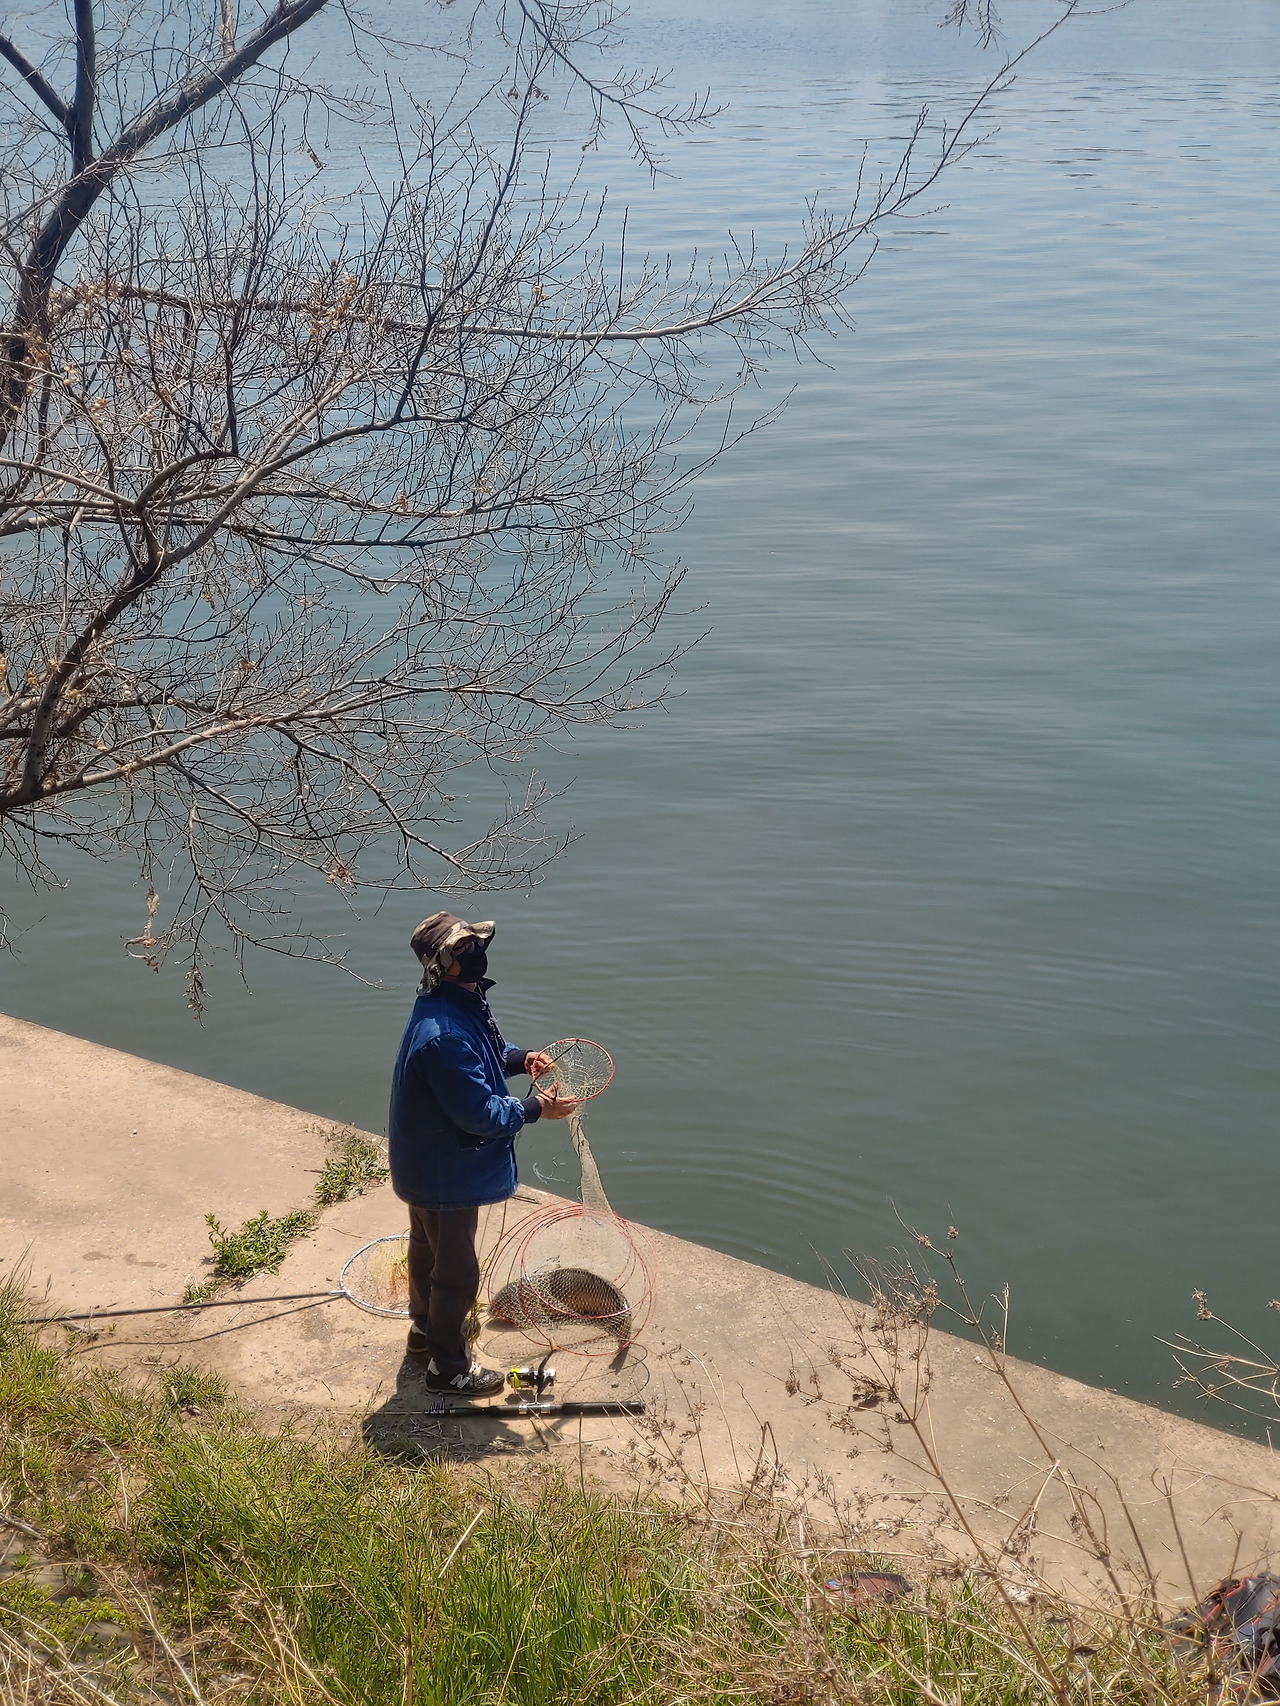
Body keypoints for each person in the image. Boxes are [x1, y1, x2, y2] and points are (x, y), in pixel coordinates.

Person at [388, 912, 576, 1395]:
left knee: (426, 1251)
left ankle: (424, 1333)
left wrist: (520, 1058)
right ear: (442, 965)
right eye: (462, 950)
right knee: (456, 1273)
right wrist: (536, 1108)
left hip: (424, 1162)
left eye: (474, 943)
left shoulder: (453, 1003)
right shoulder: (443, 1035)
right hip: (444, 1173)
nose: (474, 953)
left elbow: (486, 1051)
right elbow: (481, 1114)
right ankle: (447, 1368)